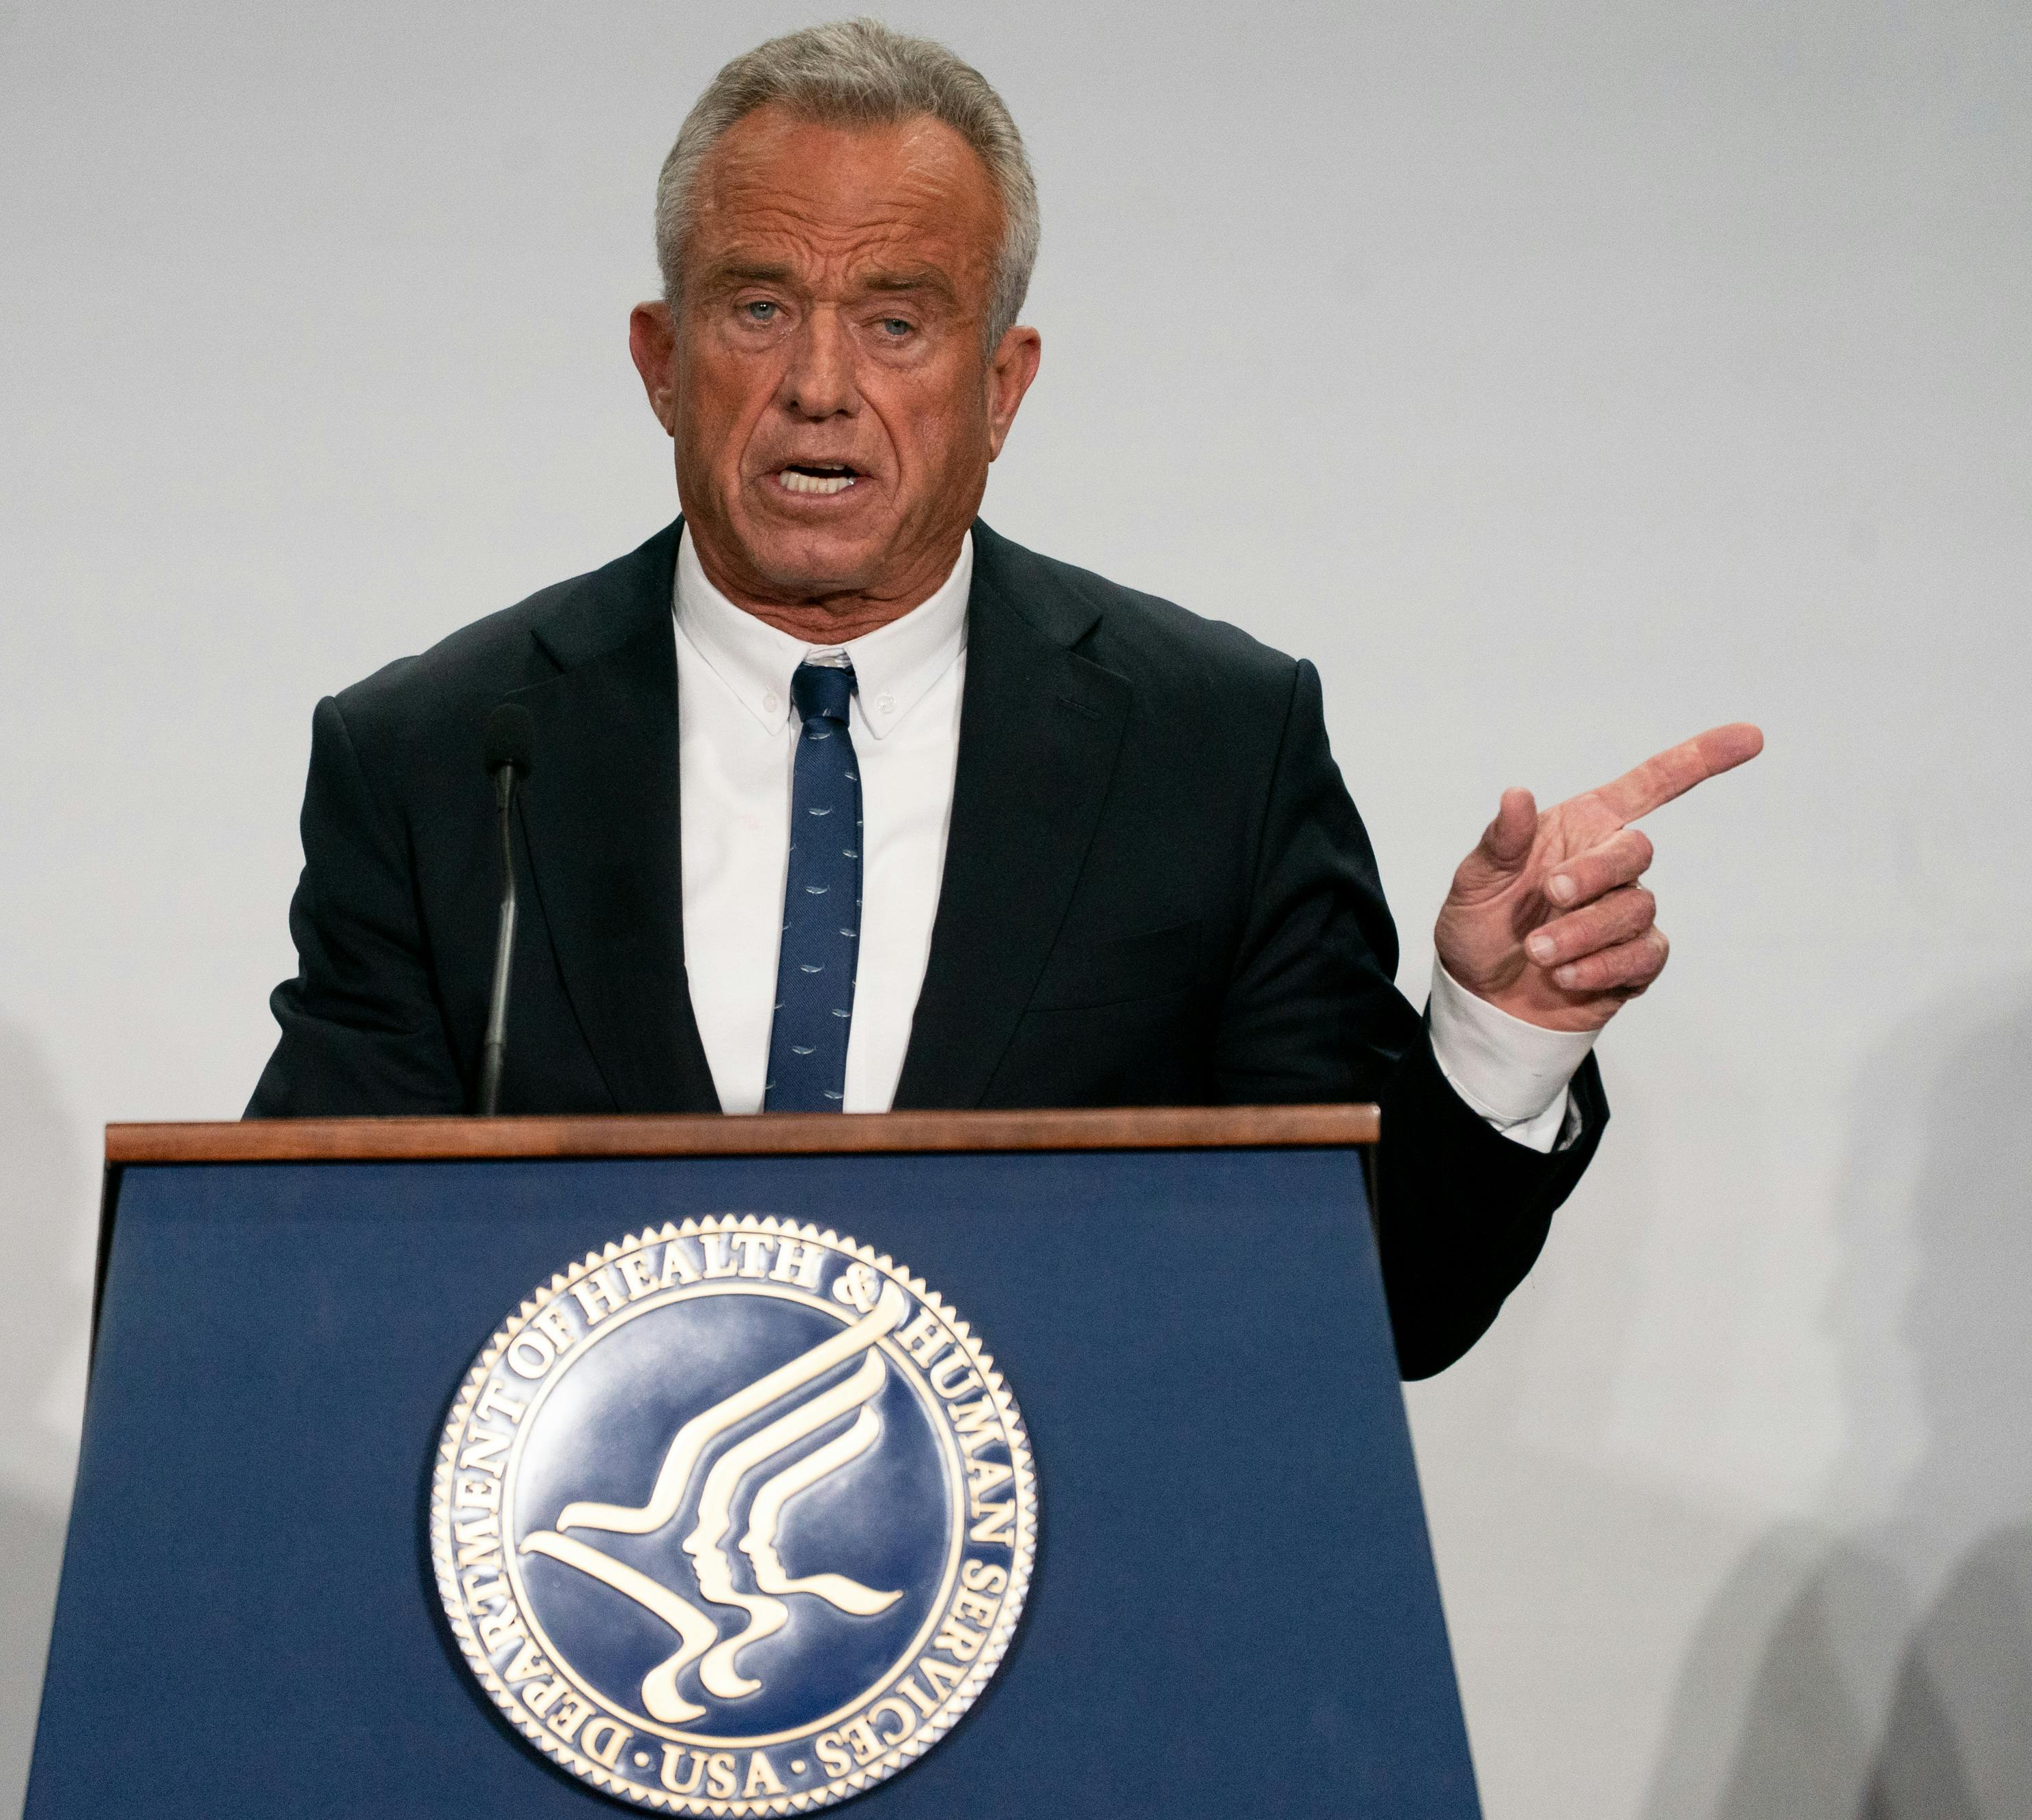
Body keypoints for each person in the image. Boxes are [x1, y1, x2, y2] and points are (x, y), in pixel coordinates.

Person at [244, 20, 1759, 1377]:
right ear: (660, 360)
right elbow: (292, 1292)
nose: (819, 385)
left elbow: (1378, 1305)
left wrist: (1492, 1036)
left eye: (896, 321)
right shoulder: (440, 759)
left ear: (1000, 384)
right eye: (757, 308)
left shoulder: (1208, 749)